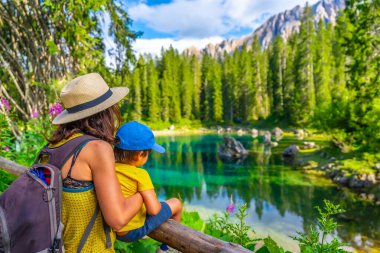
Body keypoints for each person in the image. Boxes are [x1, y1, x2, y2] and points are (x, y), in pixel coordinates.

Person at [48, 73, 143, 252]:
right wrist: (141, 195)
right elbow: (118, 218)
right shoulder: (97, 148)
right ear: (105, 112)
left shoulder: (53, 147)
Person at [113, 121, 182, 253]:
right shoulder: (140, 174)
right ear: (140, 154)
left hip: (112, 226)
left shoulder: (109, 167)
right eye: (148, 152)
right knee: (176, 203)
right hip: (130, 232)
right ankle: (166, 249)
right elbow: (154, 210)